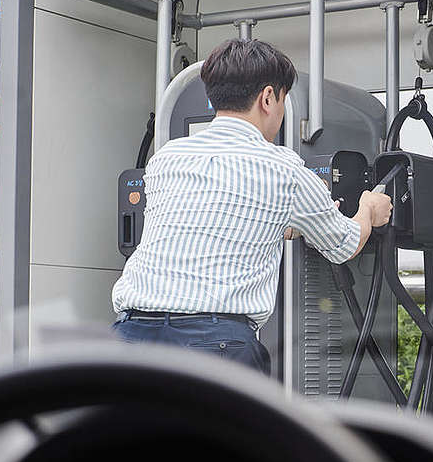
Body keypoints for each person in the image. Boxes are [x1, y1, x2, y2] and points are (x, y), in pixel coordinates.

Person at [111, 39, 393, 374]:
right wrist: (369, 209)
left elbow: (206, 217)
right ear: (269, 97)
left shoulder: (167, 157)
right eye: (284, 100)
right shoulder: (282, 168)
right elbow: (344, 244)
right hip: (215, 346)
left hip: (130, 337)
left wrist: (279, 223)